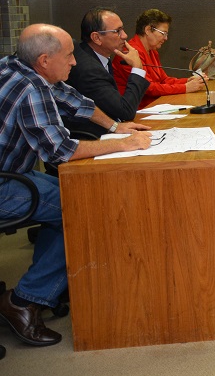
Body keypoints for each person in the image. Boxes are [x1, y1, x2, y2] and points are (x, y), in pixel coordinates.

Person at [0, 25, 151, 347]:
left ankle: (42, 288)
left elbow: (72, 99)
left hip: (12, 172)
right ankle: (24, 301)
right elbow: (61, 151)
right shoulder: (30, 89)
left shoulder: (14, 64)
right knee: (82, 209)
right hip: (5, 182)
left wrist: (115, 127)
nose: (74, 61)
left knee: (73, 197)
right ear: (44, 60)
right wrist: (122, 144)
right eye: (68, 55)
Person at [65, 7, 149, 137]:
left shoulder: (98, 56)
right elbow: (125, 111)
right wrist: (137, 68)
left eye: (122, 29)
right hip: (91, 137)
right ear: (97, 38)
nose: (125, 36)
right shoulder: (89, 69)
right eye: (117, 31)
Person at [113, 9, 206, 109]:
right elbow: (148, 88)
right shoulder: (129, 53)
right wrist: (185, 88)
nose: (166, 38)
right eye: (163, 33)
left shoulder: (152, 51)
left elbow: (163, 80)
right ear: (148, 30)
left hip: (153, 106)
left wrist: (187, 81)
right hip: (135, 110)